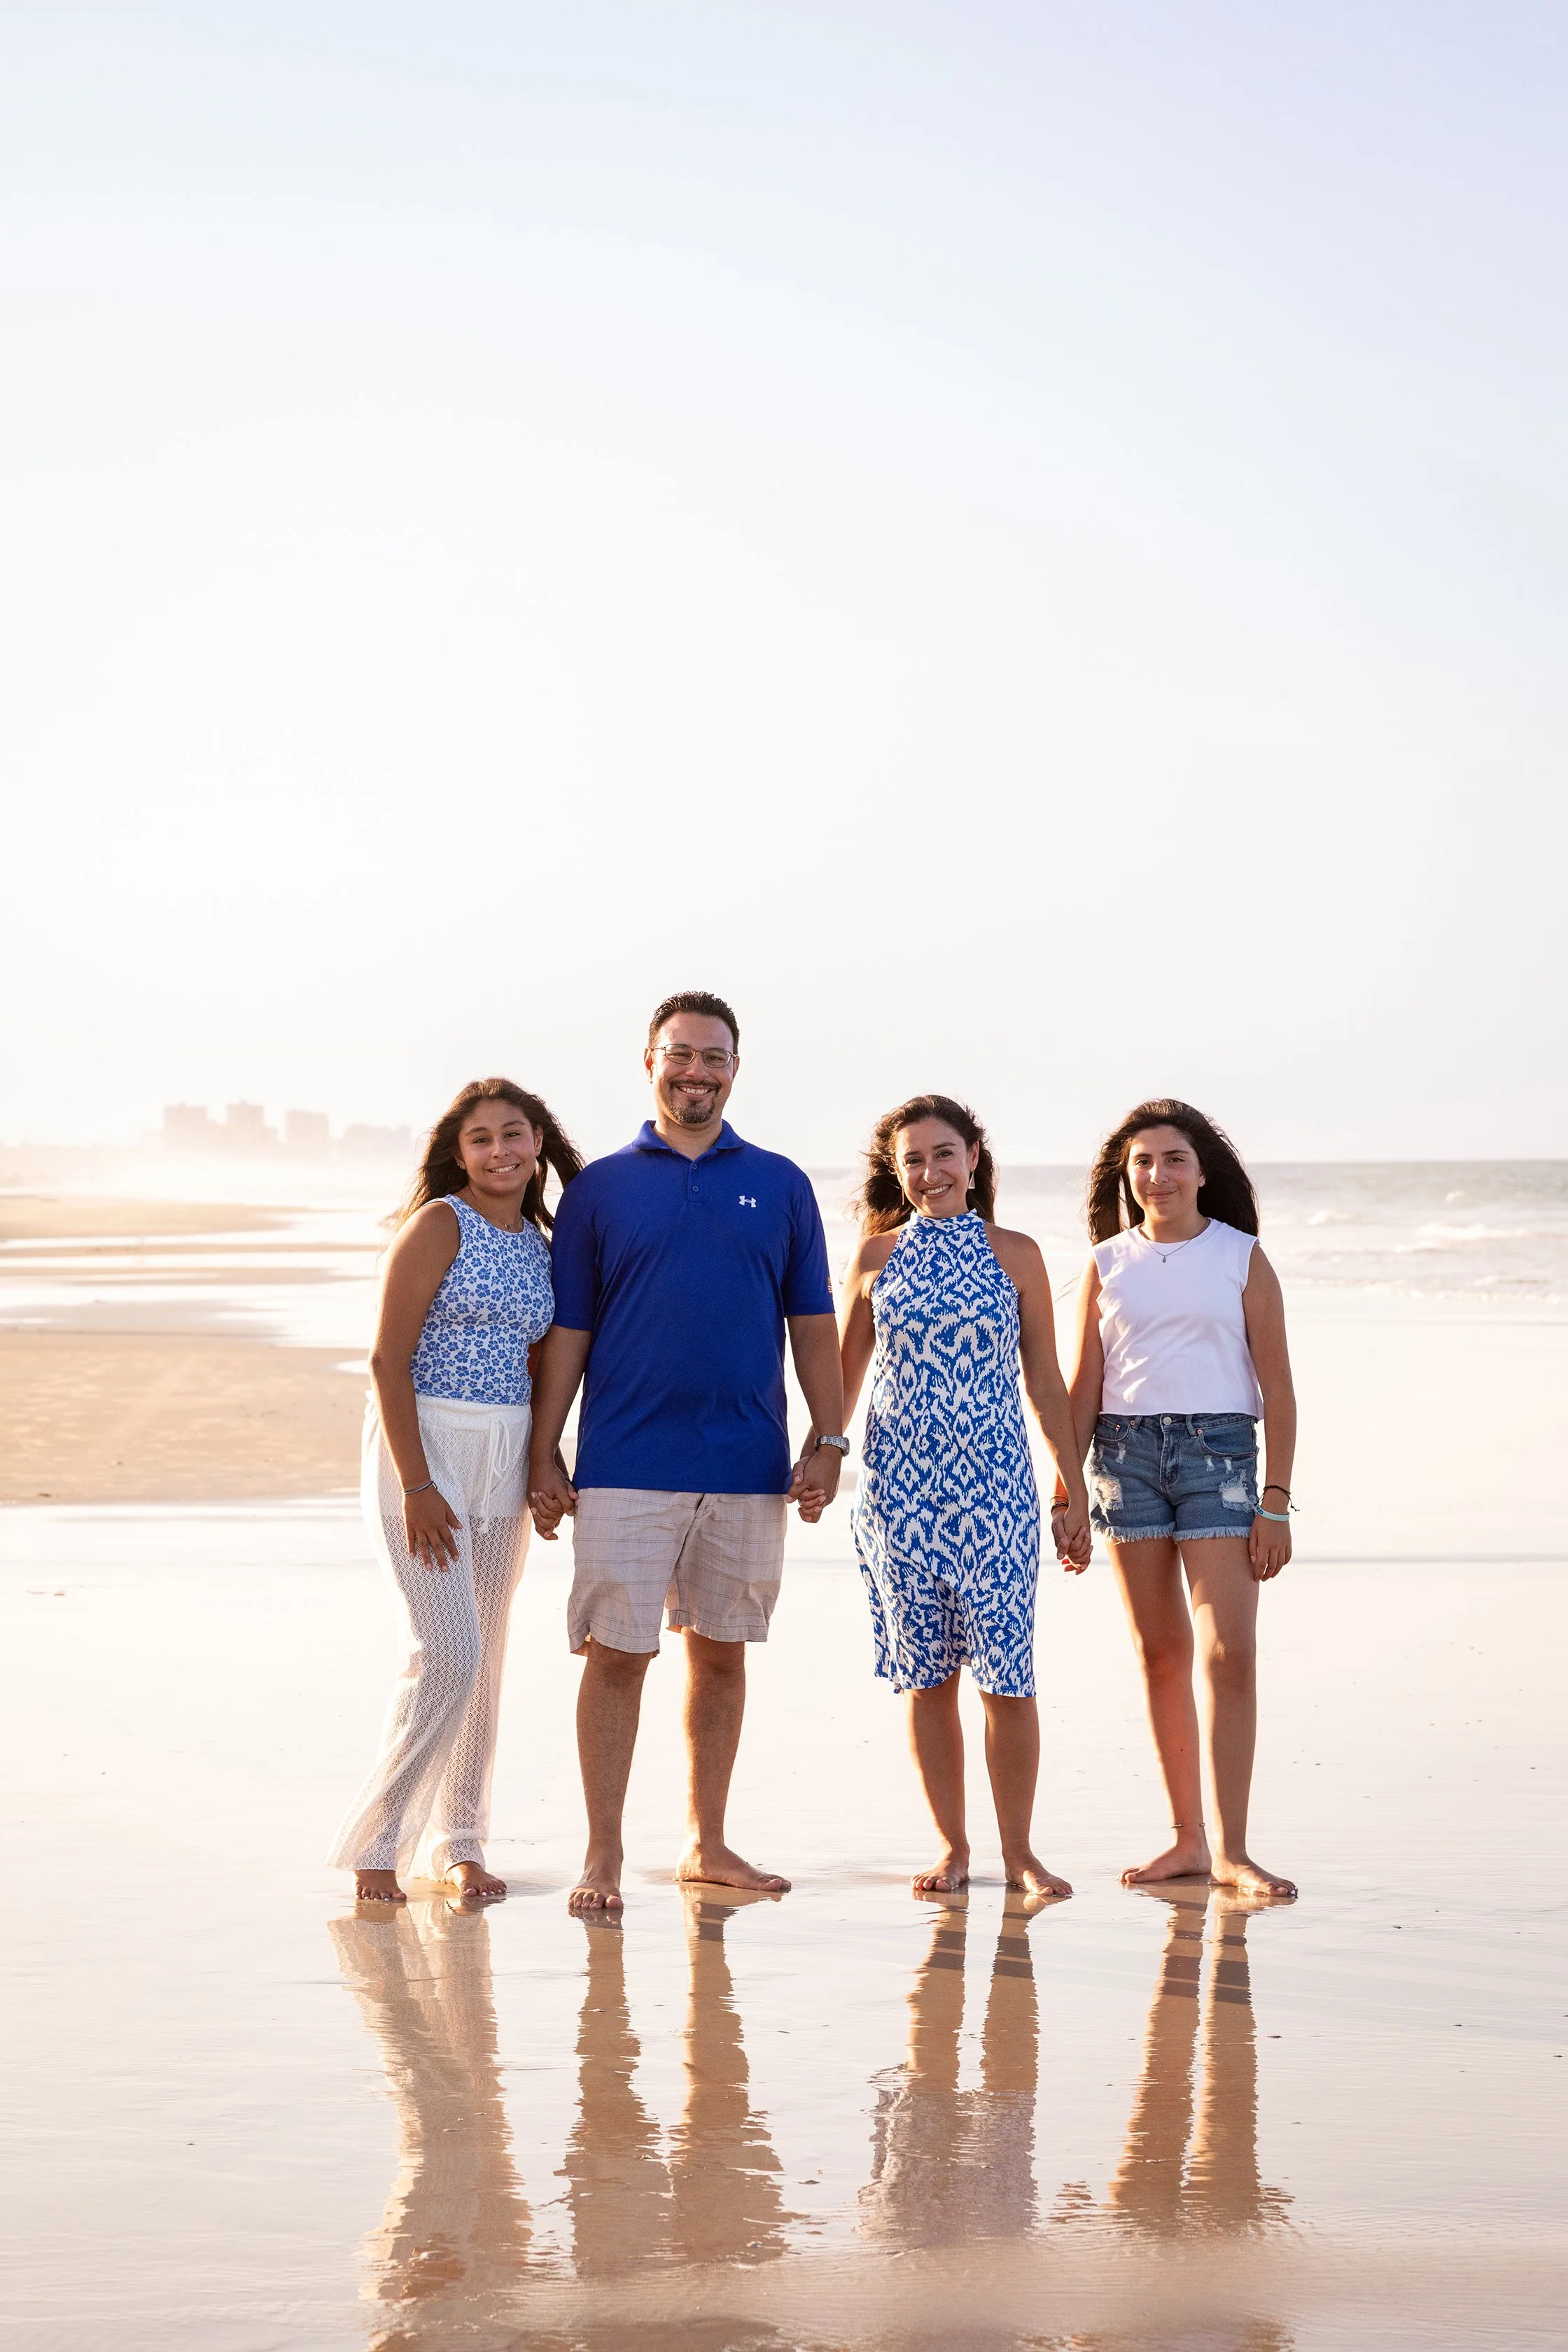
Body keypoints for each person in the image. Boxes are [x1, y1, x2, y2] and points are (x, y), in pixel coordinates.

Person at [527, 990, 846, 1914]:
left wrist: (827, 1441)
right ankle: (603, 1856)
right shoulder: (599, 1189)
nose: (695, 1072)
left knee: (722, 1654)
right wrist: (547, 1454)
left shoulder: (782, 1184)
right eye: (680, 1055)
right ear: (649, 1062)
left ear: (735, 1070)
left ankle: (707, 1843)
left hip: (748, 1464)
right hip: (625, 1462)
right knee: (615, 1654)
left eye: (713, 1057)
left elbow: (813, 1326)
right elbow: (570, 1333)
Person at [328, 1079, 583, 1904]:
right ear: (458, 1152)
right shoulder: (440, 1225)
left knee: (488, 1658)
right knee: (449, 1652)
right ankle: (379, 1844)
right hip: (424, 1450)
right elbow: (384, 1362)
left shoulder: (543, 1247)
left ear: (537, 1143)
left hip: (503, 1452)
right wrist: (417, 1483)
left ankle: (461, 1841)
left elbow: (545, 1365)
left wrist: (545, 1464)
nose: (501, 1152)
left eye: (515, 1135)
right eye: (482, 1139)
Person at [837, 1095, 1091, 1899]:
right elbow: (843, 1380)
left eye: (943, 1154)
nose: (929, 1172)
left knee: (1007, 1678)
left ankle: (1019, 1853)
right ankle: (952, 1847)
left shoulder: (1013, 1253)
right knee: (927, 1678)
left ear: (974, 1157)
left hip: (995, 1495)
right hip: (896, 1495)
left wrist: (1070, 1489)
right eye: (912, 1160)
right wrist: (817, 1458)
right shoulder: (875, 1256)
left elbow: (1044, 1382)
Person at [1060, 1099, 1297, 1898]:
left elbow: (1279, 1389)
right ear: (1126, 1177)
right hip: (1122, 1460)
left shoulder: (1239, 1256)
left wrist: (1275, 1502)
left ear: (1200, 1172)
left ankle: (1233, 1849)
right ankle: (1186, 1841)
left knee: (1229, 1652)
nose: (1156, 1176)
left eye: (1172, 1160)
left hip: (1219, 1457)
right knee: (1159, 1655)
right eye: (1142, 1164)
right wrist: (1065, 1488)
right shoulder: (1106, 1261)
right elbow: (1082, 1387)